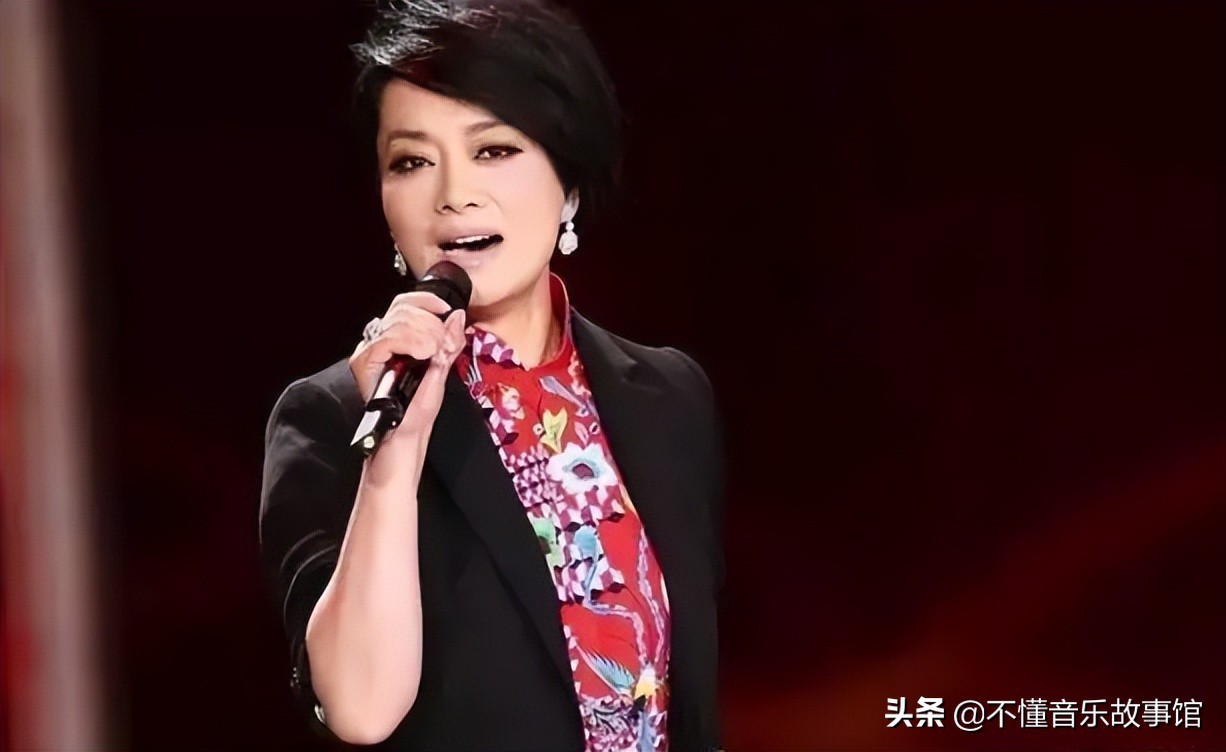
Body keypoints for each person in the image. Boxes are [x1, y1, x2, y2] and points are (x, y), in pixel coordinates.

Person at [258, 1, 724, 749]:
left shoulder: (668, 398)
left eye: (494, 149)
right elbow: (361, 710)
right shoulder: (334, 418)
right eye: (412, 161)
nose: (453, 194)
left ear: (569, 181)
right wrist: (393, 461)